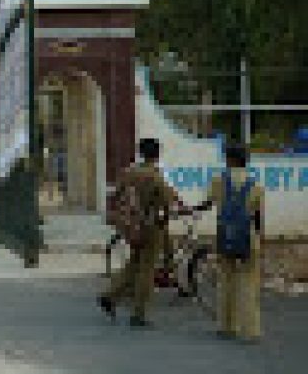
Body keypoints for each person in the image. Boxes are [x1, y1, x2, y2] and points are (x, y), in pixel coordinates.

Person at [98, 137, 180, 327]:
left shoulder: (129, 172)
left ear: (141, 153)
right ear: (157, 154)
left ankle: (110, 296)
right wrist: (184, 209)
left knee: (134, 263)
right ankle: (139, 314)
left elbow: (116, 195)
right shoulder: (155, 176)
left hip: (132, 227)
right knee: (147, 270)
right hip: (151, 227)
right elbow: (169, 200)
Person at [196, 142, 264, 342]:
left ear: (230, 160)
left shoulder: (219, 181)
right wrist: (260, 239)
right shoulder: (256, 186)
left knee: (226, 280)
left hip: (225, 236)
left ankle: (227, 326)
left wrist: (191, 210)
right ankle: (251, 330)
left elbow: (207, 204)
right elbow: (258, 218)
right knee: (248, 283)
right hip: (248, 238)